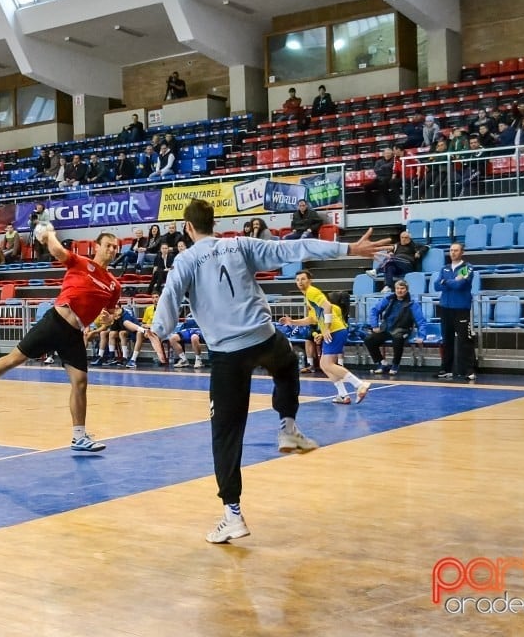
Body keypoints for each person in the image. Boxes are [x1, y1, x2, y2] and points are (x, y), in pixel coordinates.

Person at [151, 199, 389, 543]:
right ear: (213, 223)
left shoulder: (185, 259)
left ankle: (232, 514)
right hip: (263, 338)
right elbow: (294, 247)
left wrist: (156, 332)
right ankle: (288, 427)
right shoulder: (239, 244)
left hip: (226, 355)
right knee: (288, 364)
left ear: (188, 228)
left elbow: (170, 299)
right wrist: (349, 247)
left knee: (226, 435)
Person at [0, 228, 122, 452]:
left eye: (116, 247)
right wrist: (49, 233)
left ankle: (78, 437)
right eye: (109, 245)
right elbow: (56, 250)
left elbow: (111, 314)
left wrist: (108, 316)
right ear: (97, 247)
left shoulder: (114, 285)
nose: (112, 250)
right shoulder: (81, 263)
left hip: (74, 334)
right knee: (15, 358)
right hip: (55, 322)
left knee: (81, 382)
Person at [281, 270, 371, 405]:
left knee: (327, 364)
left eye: (303, 279)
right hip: (335, 331)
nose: (300, 282)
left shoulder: (312, 292)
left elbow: (327, 306)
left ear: (309, 281)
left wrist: (327, 328)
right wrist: (292, 322)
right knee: (325, 365)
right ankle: (343, 395)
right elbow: (312, 319)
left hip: (335, 331)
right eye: (297, 279)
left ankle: (359, 384)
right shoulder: (308, 296)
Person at [364, 280, 426, 375]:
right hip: (386, 329)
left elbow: (420, 321)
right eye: (397, 288)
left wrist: (422, 336)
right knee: (369, 339)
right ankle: (382, 363)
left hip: (403, 329)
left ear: (406, 290)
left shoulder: (413, 303)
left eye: (402, 288)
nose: (399, 291)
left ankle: (395, 365)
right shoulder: (389, 299)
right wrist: (374, 325)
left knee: (398, 339)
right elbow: (374, 310)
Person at [435, 242, 476, 381]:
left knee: (465, 340)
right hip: (445, 308)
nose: (453, 253)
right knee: (447, 339)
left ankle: (469, 370)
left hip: (461, 308)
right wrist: (450, 281)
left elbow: (460, 285)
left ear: (462, 252)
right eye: (451, 250)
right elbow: (436, 285)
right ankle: (446, 369)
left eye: (456, 250)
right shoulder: (444, 268)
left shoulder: (467, 267)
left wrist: (445, 282)